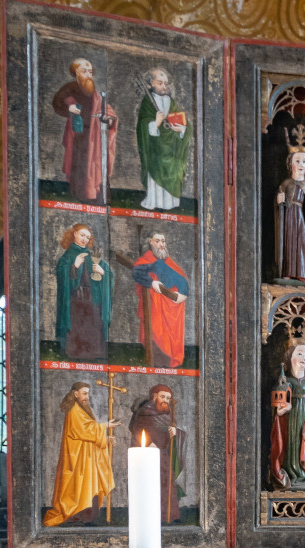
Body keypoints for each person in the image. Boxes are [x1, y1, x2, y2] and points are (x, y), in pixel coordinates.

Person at [42, 383, 120, 526]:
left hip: (87, 456)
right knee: (79, 487)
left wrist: (105, 439)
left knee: (90, 486)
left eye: (87, 394)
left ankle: (88, 517)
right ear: (75, 393)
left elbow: (88, 433)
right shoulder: (74, 409)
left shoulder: (82, 408)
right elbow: (82, 431)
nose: (87, 397)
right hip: (77, 457)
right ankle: (78, 516)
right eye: (84, 393)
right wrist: (105, 426)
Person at [51, 58, 117, 203]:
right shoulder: (69, 88)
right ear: (76, 72)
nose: (88, 74)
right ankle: (81, 195)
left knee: (96, 165)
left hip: (95, 136)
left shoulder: (93, 90)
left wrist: (108, 119)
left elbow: (105, 109)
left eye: (90, 72)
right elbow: (57, 103)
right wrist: (69, 108)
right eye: (84, 71)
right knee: (81, 165)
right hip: (79, 134)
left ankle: (98, 197)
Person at [269, 335, 305, 489]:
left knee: (303, 444)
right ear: (290, 356)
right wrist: (280, 413)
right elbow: (276, 407)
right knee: (289, 446)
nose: (303, 358)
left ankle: (303, 474)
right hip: (289, 420)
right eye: (299, 353)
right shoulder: (284, 381)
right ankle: (289, 473)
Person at [54, 223, 112, 361]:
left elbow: (108, 273)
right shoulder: (67, 256)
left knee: (92, 324)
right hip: (76, 298)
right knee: (77, 325)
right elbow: (61, 273)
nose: (85, 239)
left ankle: (94, 352)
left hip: (92, 298)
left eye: (87, 237)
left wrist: (103, 272)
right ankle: (76, 352)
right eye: (82, 235)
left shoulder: (92, 256)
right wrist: (75, 266)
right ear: (74, 234)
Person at [129, 384, 186, 522]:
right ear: (154, 396)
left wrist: (176, 432)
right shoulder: (144, 412)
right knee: (151, 485)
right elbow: (137, 429)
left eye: (168, 398)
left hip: (163, 455)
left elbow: (169, 434)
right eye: (163, 396)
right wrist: (148, 444)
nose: (165, 400)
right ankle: (153, 516)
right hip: (148, 455)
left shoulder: (167, 415)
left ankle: (169, 515)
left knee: (167, 484)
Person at [132, 232, 190, 368]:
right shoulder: (146, 260)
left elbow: (182, 280)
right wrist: (151, 282)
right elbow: (137, 272)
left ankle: (167, 362)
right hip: (156, 306)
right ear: (150, 242)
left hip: (172, 308)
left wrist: (183, 293)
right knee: (156, 334)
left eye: (163, 241)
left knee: (170, 339)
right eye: (157, 241)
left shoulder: (168, 261)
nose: (161, 244)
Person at [136, 68, 190, 211]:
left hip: (172, 146)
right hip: (155, 147)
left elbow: (184, 123)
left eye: (165, 83)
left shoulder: (169, 101)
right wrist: (155, 123)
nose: (164, 87)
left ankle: (170, 202)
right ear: (151, 84)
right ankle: (155, 201)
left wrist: (182, 129)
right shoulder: (148, 101)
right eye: (160, 83)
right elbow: (142, 124)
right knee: (156, 168)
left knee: (174, 170)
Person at [275, 125, 305, 286]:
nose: (301, 165)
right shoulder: (286, 183)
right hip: (288, 216)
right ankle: (287, 271)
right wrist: (279, 200)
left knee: (302, 243)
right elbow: (279, 200)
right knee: (288, 244)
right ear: (290, 163)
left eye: (304, 162)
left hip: (299, 215)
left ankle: (302, 273)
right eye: (297, 161)